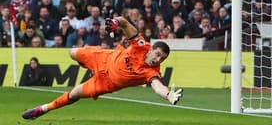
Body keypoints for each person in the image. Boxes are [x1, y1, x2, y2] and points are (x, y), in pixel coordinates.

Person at [22, 16, 183, 120]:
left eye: (162, 58)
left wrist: (168, 95)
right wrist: (115, 23)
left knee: (74, 94)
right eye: (157, 54)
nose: (157, 59)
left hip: (105, 83)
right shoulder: (141, 44)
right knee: (72, 52)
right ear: (151, 49)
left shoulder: (152, 72)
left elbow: (157, 86)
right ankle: (88, 65)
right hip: (104, 58)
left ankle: (43, 109)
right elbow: (124, 22)